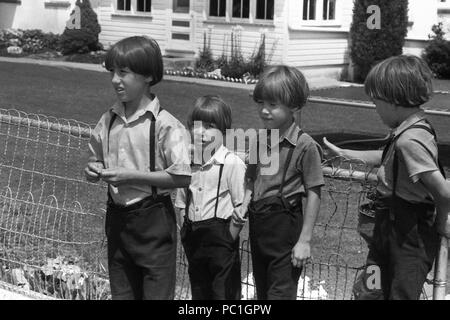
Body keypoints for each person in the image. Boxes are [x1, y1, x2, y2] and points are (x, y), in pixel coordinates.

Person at [323, 55, 450, 300]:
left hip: (408, 237)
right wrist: (345, 153)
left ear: (394, 99)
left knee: (399, 293)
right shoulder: (409, 130)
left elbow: (442, 191)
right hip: (387, 229)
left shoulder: (410, 140)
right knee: (372, 290)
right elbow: (388, 157)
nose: (375, 108)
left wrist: (443, 219)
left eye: (376, 101)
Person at [84, 36, 191, 300]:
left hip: (153, 222)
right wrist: (93, 170)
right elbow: (95, 158)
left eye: (124, 73)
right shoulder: (108, 120)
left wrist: (130, 177)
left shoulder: (166, 125)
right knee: (122, 293)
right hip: (118, 221)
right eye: (112, 72)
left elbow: (181, 175)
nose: (115, 80)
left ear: (148, 76)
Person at [233, 65, 324, 300]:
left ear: (294, 105)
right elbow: (251, 179)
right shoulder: (259, 140)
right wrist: (244, 203)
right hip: (259, 227)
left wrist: (304, 240)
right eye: (261, 103)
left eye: (272, 105)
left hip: (286, 231)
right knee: (262, 292)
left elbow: (314, 193)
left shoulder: (305, 146)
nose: (264, 111)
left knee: (280, 294)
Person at [175, 95, 246, 300]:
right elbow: (180, 202)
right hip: (194, 241)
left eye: (210, 126)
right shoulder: (187, 163)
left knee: (223, 294)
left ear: (224, 131)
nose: (202, 132)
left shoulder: (231, 163)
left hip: (221, 240)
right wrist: (185, 233)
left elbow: (241, 206)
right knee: (199, 291)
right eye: (197, 125)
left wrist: (228, 237)